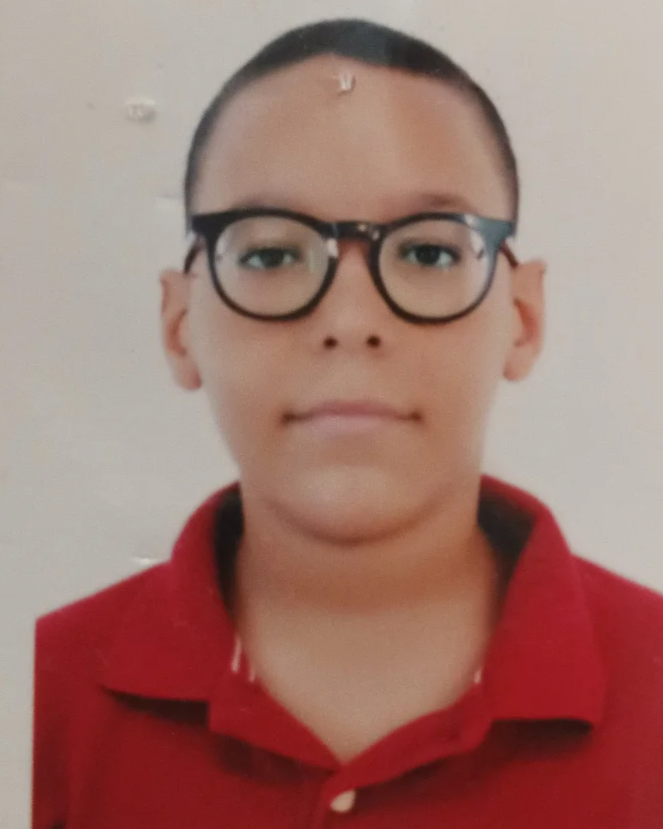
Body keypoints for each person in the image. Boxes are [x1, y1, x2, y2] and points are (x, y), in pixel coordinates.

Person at [32, 18, 663, 829]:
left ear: (523, 316)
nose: (351, 320)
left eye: (429, 252)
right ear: (180, 323)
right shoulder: (40, 693)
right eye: (270, 254)